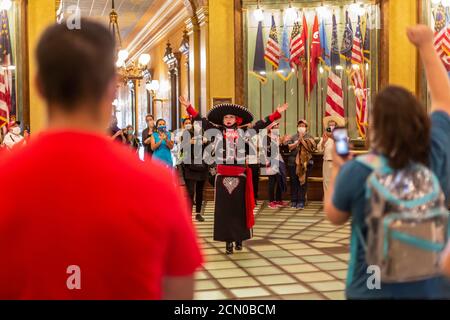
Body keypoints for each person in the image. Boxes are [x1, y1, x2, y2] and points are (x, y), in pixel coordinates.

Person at [0, 20, 202, 299]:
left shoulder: (5, 180)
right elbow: (180, 295)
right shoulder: (158, 184)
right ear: (113, 86)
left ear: (38, 86)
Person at [324, 25, 450, 299]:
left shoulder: (358, 171)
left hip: (371, 288)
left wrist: (338, 168)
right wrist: (427, 45)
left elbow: (335, 215)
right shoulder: (435, 154)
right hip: (431, 288)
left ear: (374, 129)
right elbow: (445, 102)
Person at [180, 96, 288, 254]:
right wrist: (189, 107)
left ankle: (239, 239)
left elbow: (260, 125)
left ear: (236, 119)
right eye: (226, 117)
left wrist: (276, 113)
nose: (228, 119)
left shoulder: (245, 132)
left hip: (240, 177)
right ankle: (228, 242)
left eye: (231, 117)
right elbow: (201, 120)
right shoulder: (215, 132)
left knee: (239, 210)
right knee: (225, 211)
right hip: (222, 177)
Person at [179, 117, 209, 222]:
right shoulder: (185, 134)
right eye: (195, 123)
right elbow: (182, 148)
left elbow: (209, 148)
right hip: (189, 166)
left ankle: (198, 213)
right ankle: (188, 215)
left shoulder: (204, 134)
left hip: (202, 165)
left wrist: (205, 141)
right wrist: (190, 142)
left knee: (200, 191)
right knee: (190, 192)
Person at [284, 120, 316, 209]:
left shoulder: (310, 136)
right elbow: (288, 147)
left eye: (303, 125)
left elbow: (312, 148)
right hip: (292, 162)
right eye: (300, 125)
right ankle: (294, 200)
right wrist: (298, 141)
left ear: (306, 127)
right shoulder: (293, 136)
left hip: (305, 163)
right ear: (297, 127)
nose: (301, 127)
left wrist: (303, 140)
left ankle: (301, 201)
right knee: (293, 181)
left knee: (302, 182)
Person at [317, 116, 345, 195]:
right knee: (326, 182)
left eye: (333, 125)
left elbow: (343, 148)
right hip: (327, 161)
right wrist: (323, 142)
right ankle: (327, 202)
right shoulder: (325, 136)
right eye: (330, 125)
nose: (332, 127)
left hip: (337, 162)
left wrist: (333, 137)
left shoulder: (341, 135)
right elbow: (319, 149)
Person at [262, 122, 288, 209]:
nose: (277, 127)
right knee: (272, 182)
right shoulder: (266, 137)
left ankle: (278, 200)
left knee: (280, 180)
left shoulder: (277, 136)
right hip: (270, 161)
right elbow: (268, 151)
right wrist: (279, 142)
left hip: (279, 161)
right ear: (270, 128)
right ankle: (271, 201)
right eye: (274, 126)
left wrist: (283, 143)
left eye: (277, 126)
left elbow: (283, 149)